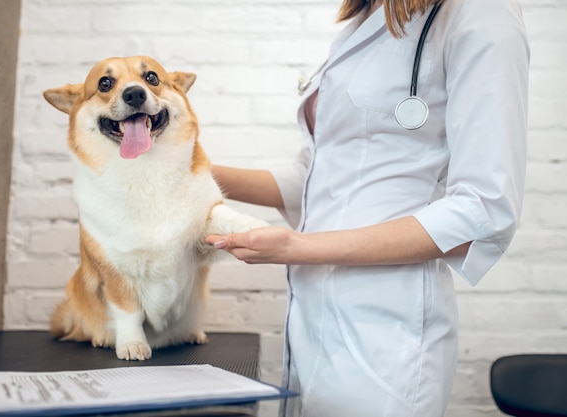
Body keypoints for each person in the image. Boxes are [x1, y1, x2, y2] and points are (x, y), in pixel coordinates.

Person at [205, 0, 529, 415]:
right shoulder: (361, 20)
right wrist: (185, 169)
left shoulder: (480, 11)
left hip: (387, 327)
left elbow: (483, 211)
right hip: (311, 312)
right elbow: (313, 180)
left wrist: (300, 247)